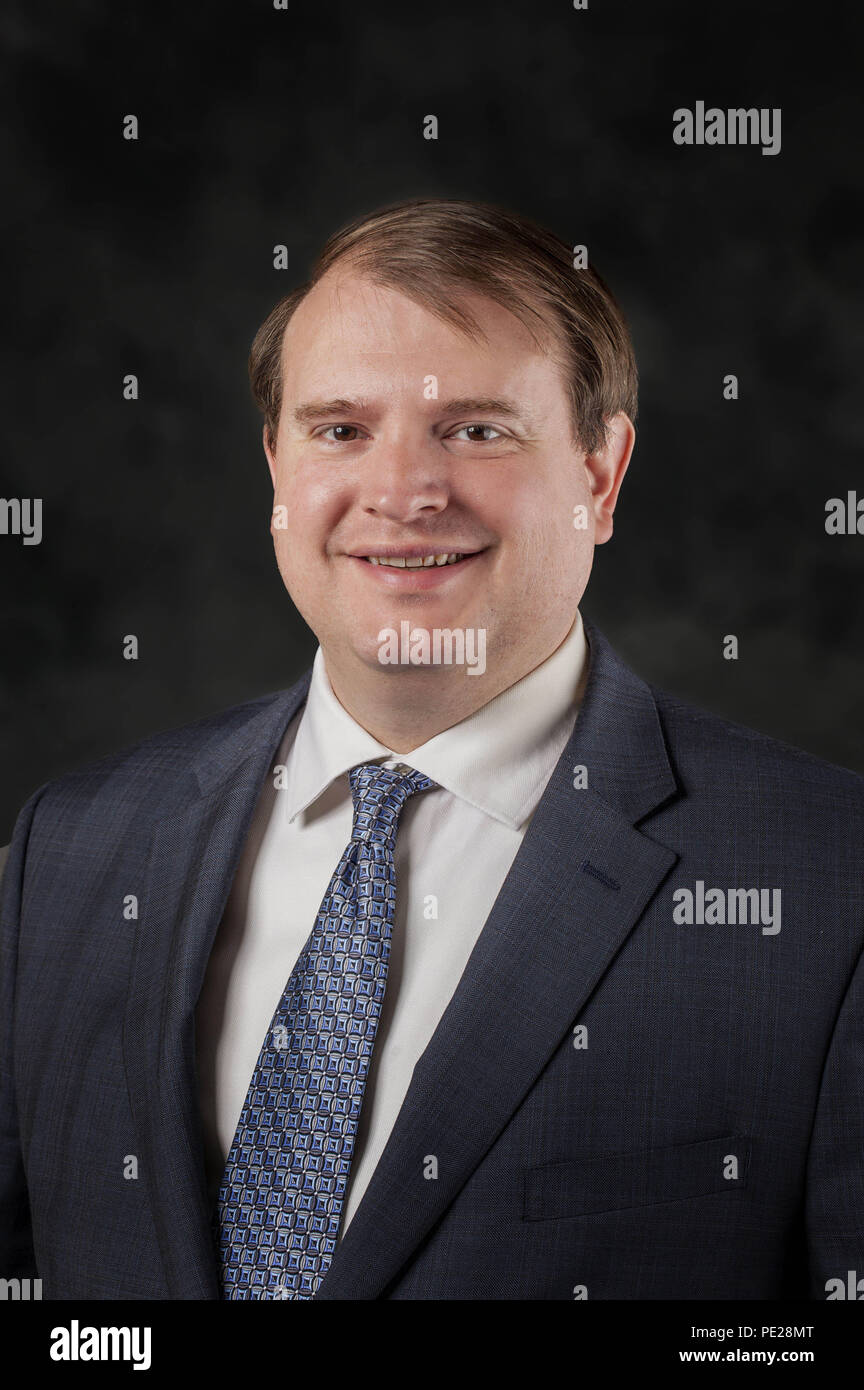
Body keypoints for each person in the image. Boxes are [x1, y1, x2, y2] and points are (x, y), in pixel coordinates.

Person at [1, 198, 862, 1301]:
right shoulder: (71, 853)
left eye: (476, 429)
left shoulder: (830, 884)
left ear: (600, 475)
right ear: (276, 463)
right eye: (341, 429)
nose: (403, 492)